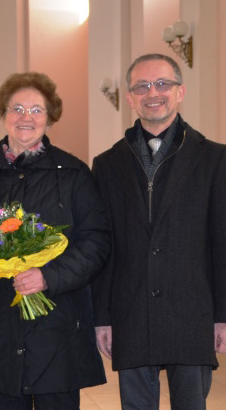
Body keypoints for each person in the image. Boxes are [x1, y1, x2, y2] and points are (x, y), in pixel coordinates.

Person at [0, 72, 110, 409]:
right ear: (3, 114)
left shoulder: (74, 174)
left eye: (36, 110)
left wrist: (49, 276)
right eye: (16, 108)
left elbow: (96, 243)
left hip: (58, 331)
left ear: (50, 118)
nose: (25, 117)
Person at [92, 53, 226, 409]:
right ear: (130, 97)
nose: (153, 93)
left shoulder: (214, 159)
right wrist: (102, 317)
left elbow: (222, 242)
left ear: (180, 92)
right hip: (131, 310)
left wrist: (223, 315)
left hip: (192, 311)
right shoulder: (107, 164)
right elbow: (104, 246)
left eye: (162, 84)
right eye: (142, 86)